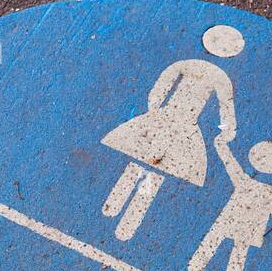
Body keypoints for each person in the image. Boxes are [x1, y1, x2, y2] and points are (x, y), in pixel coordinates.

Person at [100, 25, 244, 241]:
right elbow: (226, 109)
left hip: (173, 121)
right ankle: (124, 222)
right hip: (180, 124)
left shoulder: (195, 68)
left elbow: (161, 88)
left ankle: (116, 214)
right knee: (151, 171)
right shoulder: (217, 76)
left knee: (145, 167)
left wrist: (154, 112)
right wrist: (227, 132)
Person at [187, 139, 272, 271]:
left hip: (233, 219)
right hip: (249, 226)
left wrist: (221, 144)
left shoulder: (247, 182)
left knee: (217, 239)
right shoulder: (270, 191)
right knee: (238, 247)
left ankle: (197, 265)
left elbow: (230, 164)